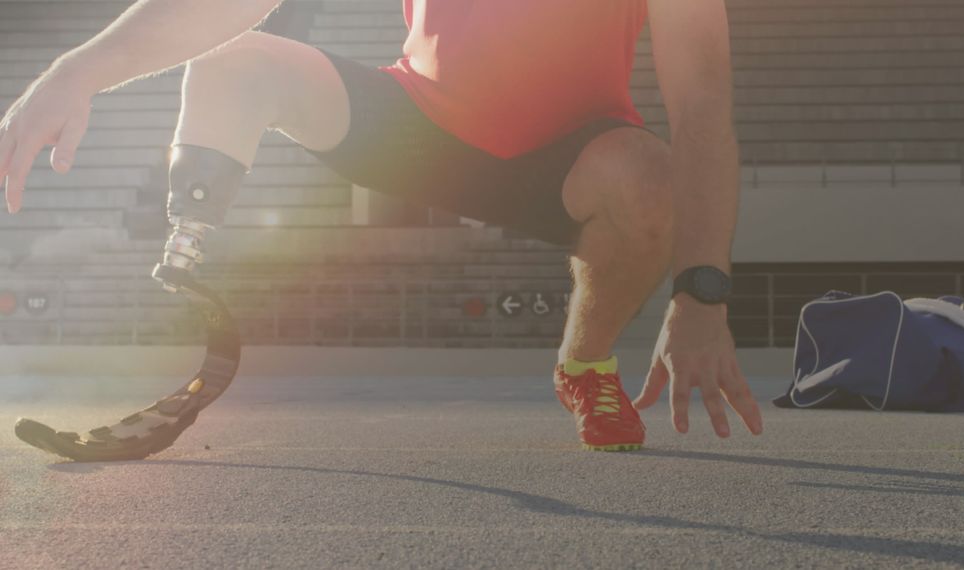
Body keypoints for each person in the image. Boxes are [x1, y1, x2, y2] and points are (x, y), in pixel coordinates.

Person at [0, 0, 763, 451]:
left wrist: (701, 296)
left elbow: (702, 108)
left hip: (570, 152)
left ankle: (586, 366)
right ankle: (191, 258)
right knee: (235, 61)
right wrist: (77, 69)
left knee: (652, 180)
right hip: (420, 125)